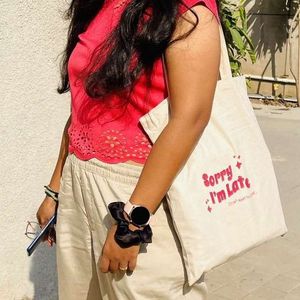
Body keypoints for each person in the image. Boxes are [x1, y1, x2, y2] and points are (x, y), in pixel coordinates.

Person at [36, 0, 221, 299]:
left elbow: (191, 118)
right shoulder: (99, 4)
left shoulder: (188, 9)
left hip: (140, 191)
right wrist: (55, 189)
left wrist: (132, 222)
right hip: (78, 182)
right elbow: (82, 108)